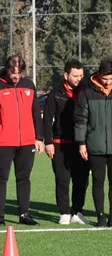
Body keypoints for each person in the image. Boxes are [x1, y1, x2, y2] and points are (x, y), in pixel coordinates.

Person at [0, 55, 44, 226]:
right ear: (7, 69)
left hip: (27, 141)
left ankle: (24, 214)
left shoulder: (29, 86)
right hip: (3, 141)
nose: (16, 76)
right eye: (13, 72)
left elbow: (36, 113)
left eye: (19, 72)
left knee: (24, 178)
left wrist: (39, 138)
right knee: (1, 177)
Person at [43, 60, 90, 224]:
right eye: (75, 76)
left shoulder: (86, 91)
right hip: (60, 143)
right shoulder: (55, 93)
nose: (79, 79)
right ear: (66, 75)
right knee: (62, 179)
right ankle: (64, 212)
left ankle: (77, 211)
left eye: (81, 76)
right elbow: (47, 118)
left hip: (82, 144)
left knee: (82, 180)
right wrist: (48, 141)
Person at [75, 59, 112, 226]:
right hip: (95, 146)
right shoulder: (87, 93)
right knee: (98, 182)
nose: (107, 82)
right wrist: (81, 142)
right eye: (105, 78)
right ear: (99, 75)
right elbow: (80, 120)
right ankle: (101, 217)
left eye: (111, 79)